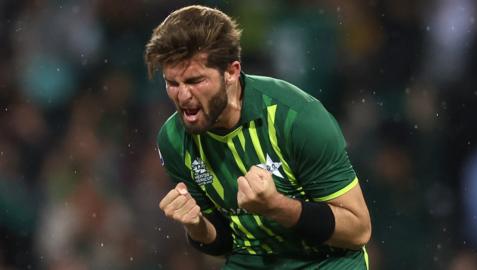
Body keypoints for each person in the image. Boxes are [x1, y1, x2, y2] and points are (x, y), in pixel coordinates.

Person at [145, 5, 371, 269]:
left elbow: (358, 231)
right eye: (172, 83)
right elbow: (222, 244)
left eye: (195, 81)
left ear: (231, 72)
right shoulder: (173, 141)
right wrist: (196, 225)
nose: (183, 96)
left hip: (326, 263)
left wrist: (276, 206)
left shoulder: (297, 119)